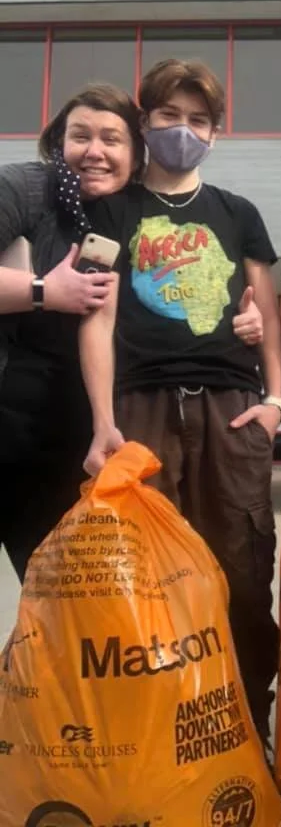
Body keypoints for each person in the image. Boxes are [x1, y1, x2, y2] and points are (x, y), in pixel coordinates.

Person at [78, 58, 281, 747]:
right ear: (147, 122)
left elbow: (270, 314)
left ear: (215, 134)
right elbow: (97, 318)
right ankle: (157, 735)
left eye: (198, 120)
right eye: (169, 116)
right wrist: (104, 422)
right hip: (143, 410)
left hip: (231, 407)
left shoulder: (238, 213)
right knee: (140, 578)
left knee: (243, 572)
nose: (183, 130)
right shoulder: (110, 212)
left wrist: (278, 400)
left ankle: (252, 723)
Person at [0, 84, 144, 579]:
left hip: (60, 441)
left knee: (56, 606)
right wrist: (41, 290)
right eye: (80, 135)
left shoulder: (120, 218)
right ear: (58, 142)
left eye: (112, 139)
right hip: (8, 416)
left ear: (135, 154)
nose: (95, 152)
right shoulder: (22, 188)